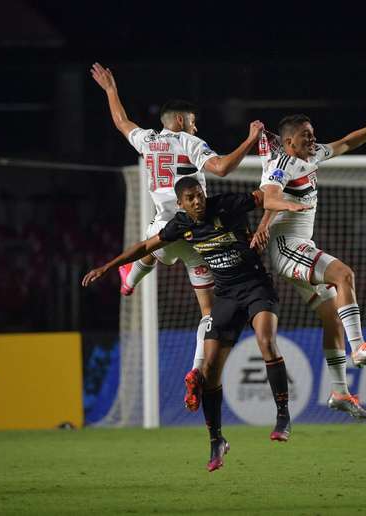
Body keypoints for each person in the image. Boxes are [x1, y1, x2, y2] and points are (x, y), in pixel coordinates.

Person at [82, 176, 309, 472]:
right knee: (210, 370)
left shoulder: (226, 204)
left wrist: (284, 208)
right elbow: (145, 247)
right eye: (190, 198)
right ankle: (216, 440)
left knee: (266, 340)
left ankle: (283, 416)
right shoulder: (180, 225)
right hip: (226, 296)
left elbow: (264, 195)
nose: (198, 200)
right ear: (181, 204)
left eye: (199, 194)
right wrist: (108, 266)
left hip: (256, 287)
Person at [90, 62, 261, 412]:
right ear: (182, 121)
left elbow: (122, 122)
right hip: (196, 234)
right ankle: (197, 370)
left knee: (148, 250)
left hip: (164, 233)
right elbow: (223, 168)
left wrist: (111, 90)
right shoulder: (190, 142)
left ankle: (131, 276)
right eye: (194, 121)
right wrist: (251, 140)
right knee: (209, 312)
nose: (197, 126)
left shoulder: (149, 141)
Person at [254, 96, 366, 418]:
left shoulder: (311, 154)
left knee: (332, 317)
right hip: (287, 248)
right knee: (344, 275)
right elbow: (269, 195)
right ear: (289, 141)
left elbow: (348, 142)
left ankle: (339, 392)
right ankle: (359, 347)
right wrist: (286, 207)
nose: (313, 139)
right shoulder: (281, 165)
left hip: (298, 246)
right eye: (306, 135)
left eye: (313, 133)